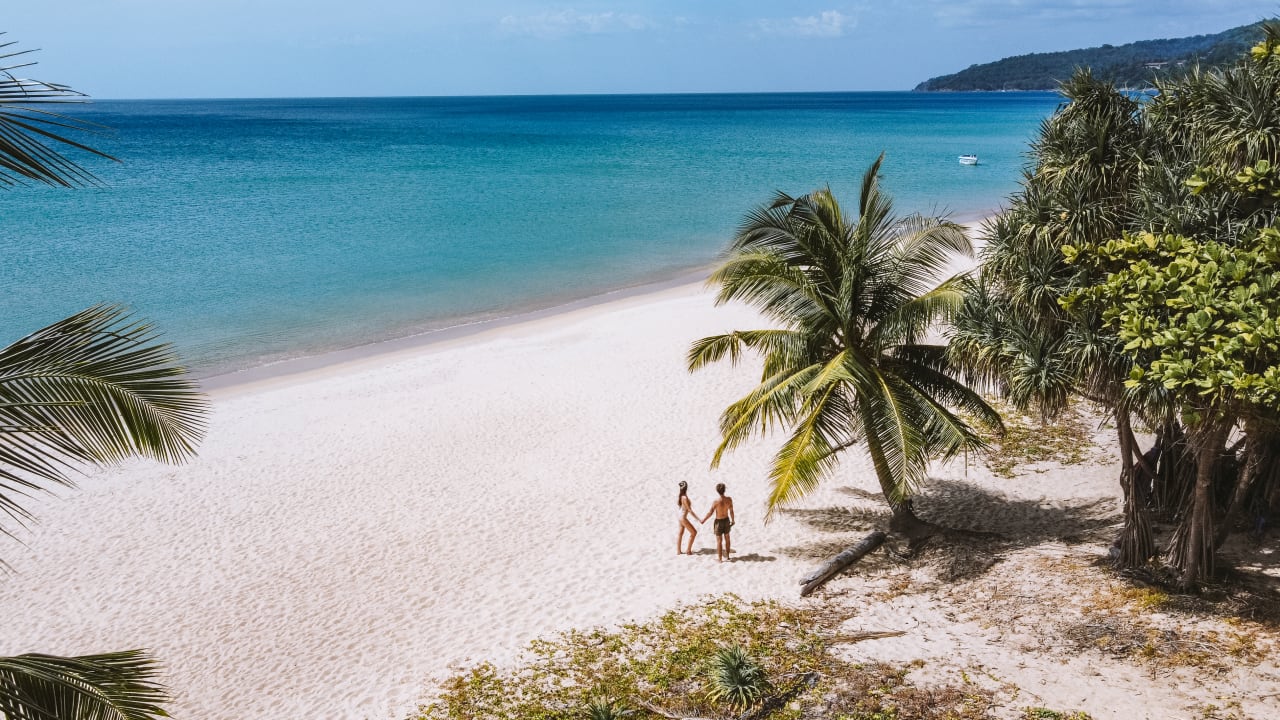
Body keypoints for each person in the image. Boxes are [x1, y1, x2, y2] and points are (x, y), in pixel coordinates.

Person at [700, 482, 735, 562]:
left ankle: (720, 559)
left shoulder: (716, 502)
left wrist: (704, 520)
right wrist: (733, 520)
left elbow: (710, 512)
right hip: (726, 520)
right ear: (724, 490)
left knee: (719, 541)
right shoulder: (729, 499)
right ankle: (728, 556)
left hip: (718, 522)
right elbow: (731, 511)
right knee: (727, 539)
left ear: (717, 491)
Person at [676, 481, 699, 555]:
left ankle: (678, 551)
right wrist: (698, 518)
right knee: (694, 532)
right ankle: (688, 551)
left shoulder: (681, 496)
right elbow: (689, 510)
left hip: (679, 516)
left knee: (680, 533)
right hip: (683, 517)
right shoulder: (685, 498)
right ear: (686, 488)